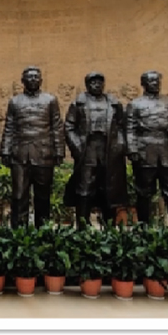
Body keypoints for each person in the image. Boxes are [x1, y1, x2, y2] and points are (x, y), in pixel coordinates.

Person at [0, 66, 65, 228]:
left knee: (43, 195)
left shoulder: (50, 100)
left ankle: (42, 229)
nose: (33, 79)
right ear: (23, 81)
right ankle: (18, 230)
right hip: (20, 154)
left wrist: (59, 151)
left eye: (36, 77)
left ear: (41, 80)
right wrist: (5, 151)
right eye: (29, 77)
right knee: (19, 195)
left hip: (43, 154)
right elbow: (9, 127)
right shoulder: (15, 102)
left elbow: (57, 127)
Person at [125, 70, 168, 226]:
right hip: (145, 154)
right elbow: (129, 129)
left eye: (157, 81)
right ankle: (143, 229)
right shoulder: (135, 105)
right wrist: (132, 150)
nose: (155, 84)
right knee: (143, 194)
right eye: (151, 81)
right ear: (143, 84)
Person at [64, 72, 128, 229]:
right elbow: (69, 127)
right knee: (85, 187)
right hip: (88, 148)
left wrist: (120, 144)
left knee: (108, 187)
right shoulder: (78, 103)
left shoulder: (114, 103)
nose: (97, 85)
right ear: (87, 85)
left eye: (100, 82)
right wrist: (77, 147)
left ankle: (109, 227)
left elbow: (122, 126)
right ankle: (82, 227)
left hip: (109, 149)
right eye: (93, 82)